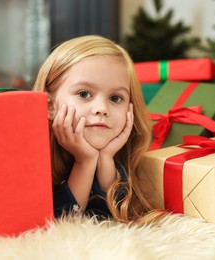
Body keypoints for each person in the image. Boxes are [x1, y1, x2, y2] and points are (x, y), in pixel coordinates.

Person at [33, 35, 165, 224]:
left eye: (115, 98)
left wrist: (105, 159)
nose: (102, 109)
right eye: (84, 94)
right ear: (50, 107)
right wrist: (85, 161)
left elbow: (115, 217)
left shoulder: (119, 156)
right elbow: (62, 223)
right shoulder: (34, 160)